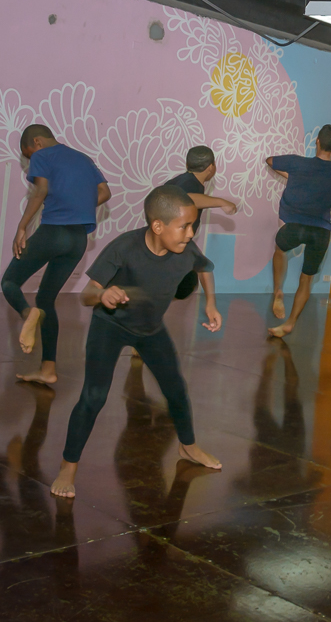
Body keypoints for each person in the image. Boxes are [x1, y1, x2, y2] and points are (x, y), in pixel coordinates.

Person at [50, 185, 222, 499]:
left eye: (193, 226)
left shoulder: (187, 249)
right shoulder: (124, 248)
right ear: (158, 226)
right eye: (184, 226)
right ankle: (68, 465)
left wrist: (211, 302)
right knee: (94, 397)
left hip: (151, 329)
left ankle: (188, 446)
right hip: (111, 326)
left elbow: (205, 268)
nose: (190, 233)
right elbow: (87, 294)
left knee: (177, 390)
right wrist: (103, 294)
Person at [1, 124, 111, 384]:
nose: (31, 160)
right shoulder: (83, 158)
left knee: (9, 282)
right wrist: (78, 204)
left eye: (28, 155)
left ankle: (29, 315)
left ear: (36, 142)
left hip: (53, 232)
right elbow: (105, 192)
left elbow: (39, 191)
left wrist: (22, 227)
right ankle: (48, 369)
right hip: (78, 240)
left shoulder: (43, 155)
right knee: (46, 299)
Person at [265, 125, 331, 337]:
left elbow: (270, 161)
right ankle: (290, 323)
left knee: (280, 250)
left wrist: (292, 176)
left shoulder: (298, 162)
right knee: (306, 279)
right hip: (320, 232)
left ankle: (278, 290)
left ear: (317, 141)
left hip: (295, 227)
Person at [164, 145, 238, 301]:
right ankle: (211, 306)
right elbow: (185, 198)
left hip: (169, 240)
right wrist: (222, 202)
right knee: (201, 271)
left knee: (203, 268)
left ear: (187, 164)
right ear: (211, 167)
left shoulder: (181, 180)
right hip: (173, 240)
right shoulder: (190, 184)